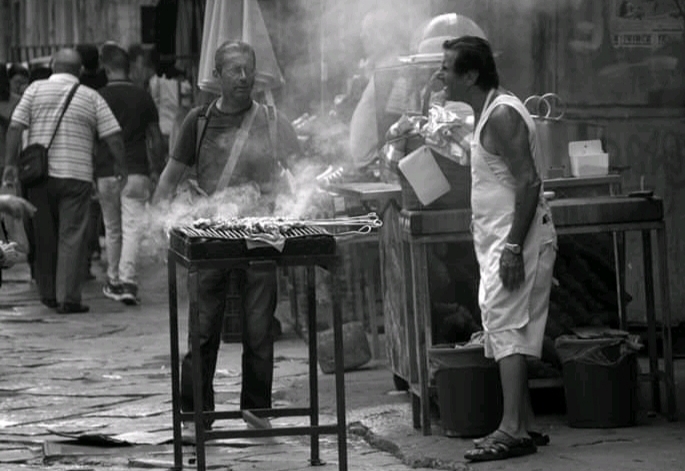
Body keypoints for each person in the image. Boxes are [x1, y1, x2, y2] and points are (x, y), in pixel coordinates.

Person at [152, 40, 300, 437]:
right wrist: (158, 224)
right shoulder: (197, 122)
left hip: (262, 237)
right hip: (210, 240)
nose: (242, 77)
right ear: (216, 76)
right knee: (201, 330)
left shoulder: (272, 120)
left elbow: (302, 173)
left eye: (247, 68)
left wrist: (302, 207)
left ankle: (256, 409)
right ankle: (196, 412)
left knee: (258, 327)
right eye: (233, 69)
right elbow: (170, 177)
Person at [437, 36, 557, 462]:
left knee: (506, 327)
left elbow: (528, 182)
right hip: (503, 239)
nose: (440, 75)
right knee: (509, 329)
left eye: (447, 67)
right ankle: (525, 423)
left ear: (470, 75)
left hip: (516, 240)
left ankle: (510, 429)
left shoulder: (502, 114)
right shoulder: (487, 109)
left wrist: (510, 246)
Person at [2, 48, 127, 314]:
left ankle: (48, 294)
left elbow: (15, 126)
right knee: (72, 237)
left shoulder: (34, 90)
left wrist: (11, 165)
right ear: (80, 71)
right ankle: (68, 298)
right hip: (76, 176)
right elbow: (113, 135)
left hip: (39, 177)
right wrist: (121, 167)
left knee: (44, 235)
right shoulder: (90, 96)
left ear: (51, 65)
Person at [96, 44, 165, 305]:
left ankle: (114, 279)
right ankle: (128, 281)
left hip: (106, 170)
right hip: (137, 170)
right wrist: (157, 167)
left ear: (106, 67)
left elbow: (93, 139)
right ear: (129, 67)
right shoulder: (142, 96)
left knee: (112, 228)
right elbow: (156, 139)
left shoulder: (98, 96)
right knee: (133, 227)